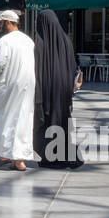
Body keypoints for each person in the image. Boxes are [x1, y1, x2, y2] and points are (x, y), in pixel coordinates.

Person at [0, 9, 39, 171]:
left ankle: (4, 154)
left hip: (7, 84)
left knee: (0, 118)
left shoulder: (5, 41)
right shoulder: (29, 41)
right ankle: (19, 159)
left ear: (8, 23)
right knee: (23, 119)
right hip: (27, 85)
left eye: (1, 23)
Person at [31, 9, 84, 169]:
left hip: (46, 91)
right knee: (61, 120)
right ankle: (64, 155)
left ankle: (50, 157)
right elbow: (73, 65)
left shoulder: (40, 44)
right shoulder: (66, 41)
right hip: (63, 91)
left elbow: (36, 71)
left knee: (47, 122)